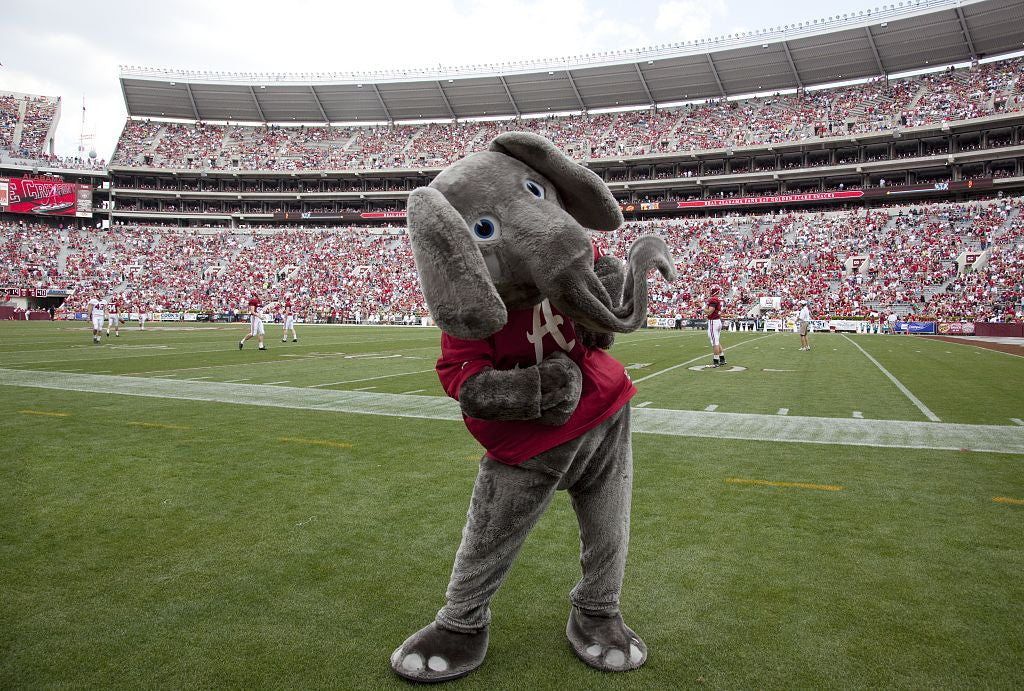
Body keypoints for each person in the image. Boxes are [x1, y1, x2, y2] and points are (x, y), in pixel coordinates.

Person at [705, 285, 726, 367]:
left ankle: (716, 362)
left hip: (713, 322)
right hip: (717, 321)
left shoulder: (713, 299)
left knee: (715, 343)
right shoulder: (719, 299)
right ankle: (722, 359)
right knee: (716, 341)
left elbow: (709, 312)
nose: (710, 292)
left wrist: (702, 306)